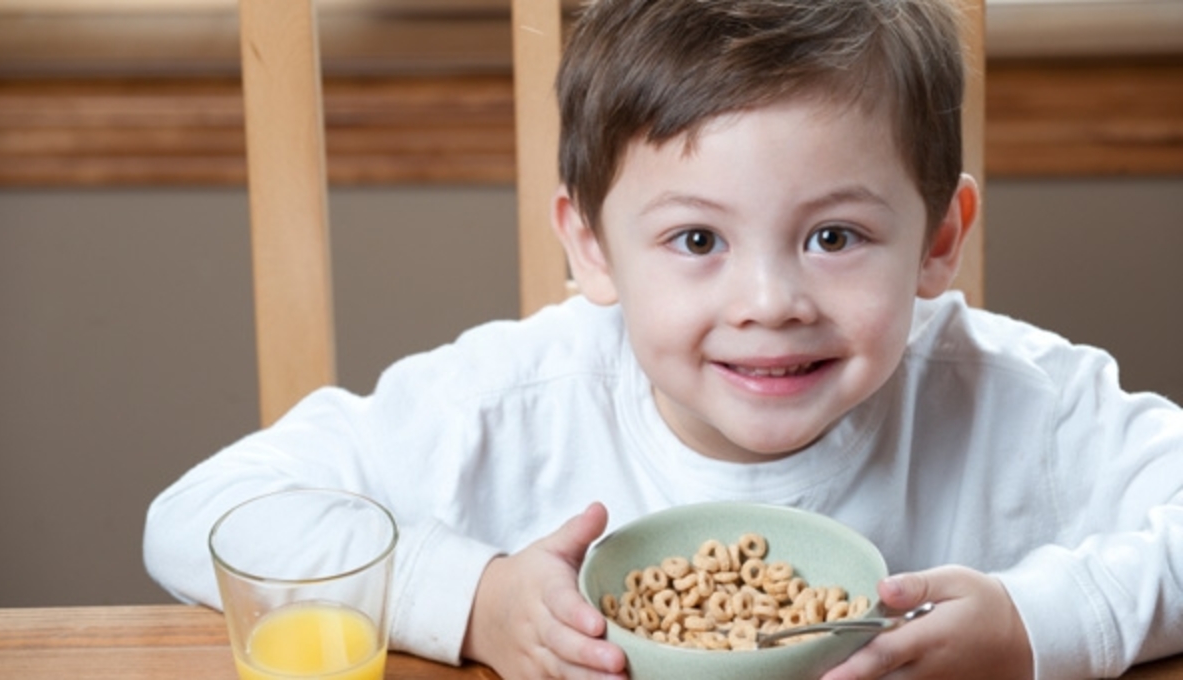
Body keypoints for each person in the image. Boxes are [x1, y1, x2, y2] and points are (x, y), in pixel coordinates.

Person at [144, 0, 1183, 678]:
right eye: (696, 237)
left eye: (835, 235)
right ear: (591, 248)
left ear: (938, 240)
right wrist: (475, 598)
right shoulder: (517, 402)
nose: (770, 299)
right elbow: (201, 513)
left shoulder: (1018, 401)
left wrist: (1034, 627)